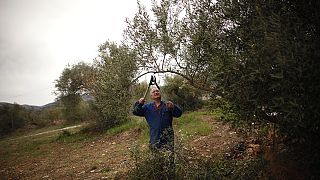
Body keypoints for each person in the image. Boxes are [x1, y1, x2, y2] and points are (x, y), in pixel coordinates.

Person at [132, 86, 182, 151]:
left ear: (160, 93)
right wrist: (139, 104)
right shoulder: (147, 107)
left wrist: (173, 107)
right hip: (154, 139)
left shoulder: (168, 105)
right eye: (153, 92)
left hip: (168, 138)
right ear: (151, 96)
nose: (156, 92)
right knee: (155, 158)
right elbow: (135, 112)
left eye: (157, 91)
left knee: (168, 158)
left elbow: (179, 114)